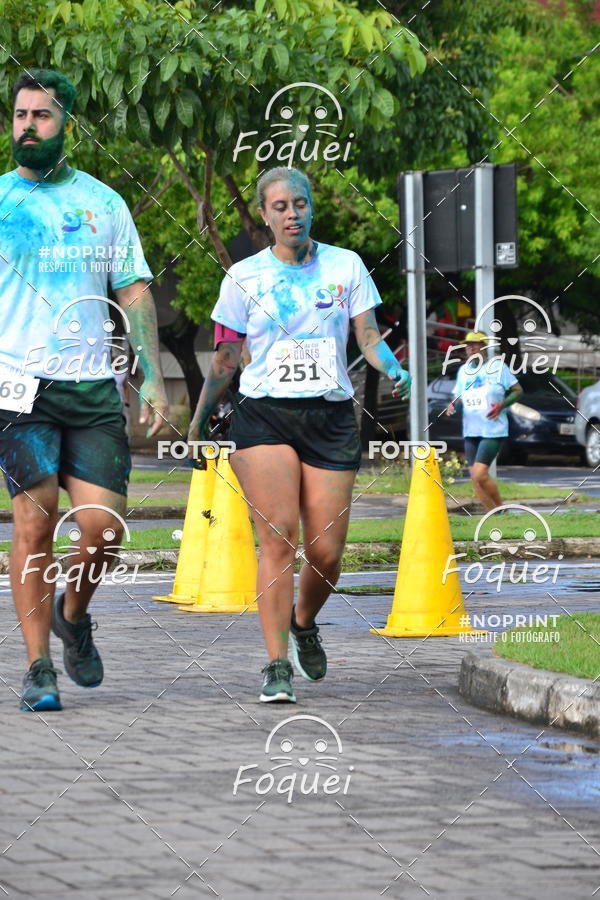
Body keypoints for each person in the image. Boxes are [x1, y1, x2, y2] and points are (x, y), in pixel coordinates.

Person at [188, 166, 410, 704]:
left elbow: (369, 337)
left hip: (330, 419)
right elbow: (225, 359)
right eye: (281, 206)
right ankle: (276, 664)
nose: (293, 214)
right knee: (279, 538)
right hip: (264, 416)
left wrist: (392, 367)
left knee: (327, 554)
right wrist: (197, 423)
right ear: (264, 216)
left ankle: (303, 621)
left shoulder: (346, 265)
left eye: (301, 203)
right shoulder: (243, 277)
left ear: (312, 208)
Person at [0, 70, 168, 711]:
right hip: (19, 387)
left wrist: (151, 374)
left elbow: (134, 291)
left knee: (103, 529)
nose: (28, 126)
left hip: (94, 385)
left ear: (66, 122)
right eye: (20, 115)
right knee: (35, 521)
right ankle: (38, 667)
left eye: (41, 115)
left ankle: (73, 614)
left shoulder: (104, 204)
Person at [446, 332, 522, 510]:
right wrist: (452, 405)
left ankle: (500, 508)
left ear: (484, 347)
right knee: (475, 479)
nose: (471, 348)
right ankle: (493, 515)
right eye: (468, 345)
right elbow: (458, 397)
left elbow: (518, 391)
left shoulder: (497, 367)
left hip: (492, 429)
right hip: (471, 430)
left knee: (479, 474)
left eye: (476, 344)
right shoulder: (463, 371)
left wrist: (502, 405)